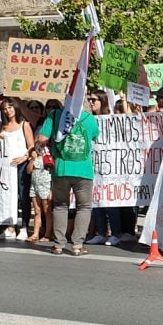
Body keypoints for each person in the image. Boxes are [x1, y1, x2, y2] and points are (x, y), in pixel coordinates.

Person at [39, 103, 100, 256]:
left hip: (62, 168)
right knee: (84, 207)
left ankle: (59, 245)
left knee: (60, 205)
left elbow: (42, 138)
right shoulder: (89, 118)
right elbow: (94, 136)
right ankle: (77, 245)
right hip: (84, 170)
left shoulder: (55, 115)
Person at [86, 91, 122, 246]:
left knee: (109, 201)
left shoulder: (111, 119)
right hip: (94, 164)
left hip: (110, 166)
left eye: (94, 100)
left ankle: (115, 233)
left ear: (102, 101)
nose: (91, 102)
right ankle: (101, 233)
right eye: (89, 99)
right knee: (96, 200)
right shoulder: (89, 119)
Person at [0, 98, 35, 240]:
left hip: (21, 164)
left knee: (23, 196)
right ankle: (10, 226)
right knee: (8, 197)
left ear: (16, 108)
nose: (8, 111)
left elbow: (31, 145)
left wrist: (24, 157)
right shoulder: (2, 126)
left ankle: (24, 226)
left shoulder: (24, 124)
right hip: (7, 166)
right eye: (5, 109)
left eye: (10, 107)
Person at [25, 137, 53, 243]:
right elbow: (28, 171)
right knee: (37, 210)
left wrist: (51, 189)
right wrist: (32, 159)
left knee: (47, 211)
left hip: (46, 185)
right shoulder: (35, 158)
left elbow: (52, 173)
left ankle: (48, 233)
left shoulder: (49, 157)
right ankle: (35, 233)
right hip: (35, 186)